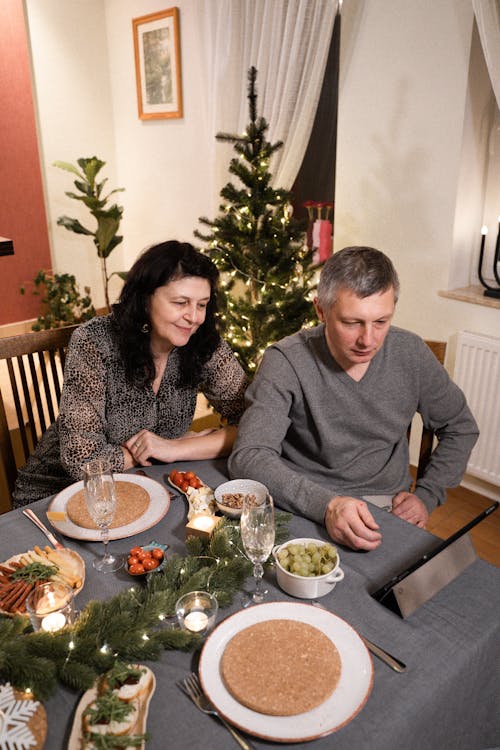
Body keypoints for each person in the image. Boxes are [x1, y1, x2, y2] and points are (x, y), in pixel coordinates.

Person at [228, 246, 479, 551]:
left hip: (384, 509)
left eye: (381, 322)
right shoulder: (285, 360)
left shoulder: (411, 353)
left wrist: (426, 495)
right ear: (321, 310)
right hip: (302, 502)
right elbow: (250, 455)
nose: (368, 340)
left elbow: (461, 427)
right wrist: (327, 505)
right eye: (351, 323)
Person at [13, 241, 248, 506]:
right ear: (146, 298)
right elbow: (82, 463)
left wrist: (174, 447)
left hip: (145, 486)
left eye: (202, 305)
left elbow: (258, 423)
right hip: (57, 495)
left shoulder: (202, 343)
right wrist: (154, 450)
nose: (193, 317)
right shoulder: (94, 342)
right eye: (181, 302)